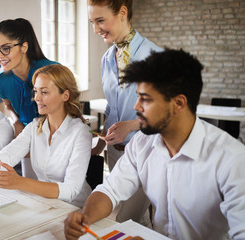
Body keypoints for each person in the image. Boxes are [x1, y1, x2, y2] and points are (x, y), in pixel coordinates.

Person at [64, 49, 245, 240]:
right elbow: (109, 190)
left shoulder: (232, 160)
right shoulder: (142, 143)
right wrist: (84, 217)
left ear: (179, 103)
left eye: (146, 99)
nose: (136, 107)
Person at [0, 64, 93, 207]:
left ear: (65, 95)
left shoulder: (80, 132)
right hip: (46, 204)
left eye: (44, 92)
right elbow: (2, 160)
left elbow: (71, 190)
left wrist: (20, 182)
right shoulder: (34, 127)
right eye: (35, 91)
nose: (37, 98)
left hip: (77, 208)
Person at [88, 0, 162, 223]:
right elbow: (112, 107)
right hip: (114, 152)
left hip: (145, 151)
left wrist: (130, 126)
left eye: (100, 21)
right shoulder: (106, 59)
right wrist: (101, 144)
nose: (95, 29)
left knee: (128, 218)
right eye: (92, 22)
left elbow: (165, 111)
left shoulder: (155, 57)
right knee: (127, 219)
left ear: (122, 13)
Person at [0, 18, 58, 177]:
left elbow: (68, 109)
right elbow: (9, 106)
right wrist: (16, 120)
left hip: (56, 139)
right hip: (27, 140)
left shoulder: (52, 70)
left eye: (6, 48)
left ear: (24, 47)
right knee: (31, 189)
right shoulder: (1, 81)